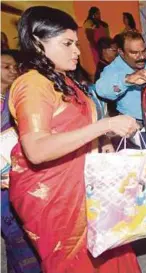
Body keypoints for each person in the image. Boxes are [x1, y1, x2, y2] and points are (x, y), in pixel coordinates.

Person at [9, 6, 141, 272]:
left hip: (87, 185)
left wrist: (104, 140)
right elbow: (35, 149)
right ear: (37, 43)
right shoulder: (33, 84)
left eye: (76, 43)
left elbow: (78, 129)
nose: (77, 51)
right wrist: (104, 125)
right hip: (57, 197)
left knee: (111, 255)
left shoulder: (65, 81)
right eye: (67, 43)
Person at [1, 49, 41, 273]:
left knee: (33, 232)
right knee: (16, 236)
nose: (13, 70)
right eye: (5, 67)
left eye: (14, 66)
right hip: (2, 184)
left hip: (26, 174)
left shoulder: (21, 98)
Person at [96, 31, 146, 121]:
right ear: (121, 52)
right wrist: (127, 80)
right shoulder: (112, 69)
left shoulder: (144, 62)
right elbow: (101, 90)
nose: (141, 57)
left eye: (143, 51)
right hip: (132, 122)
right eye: (134, 53)